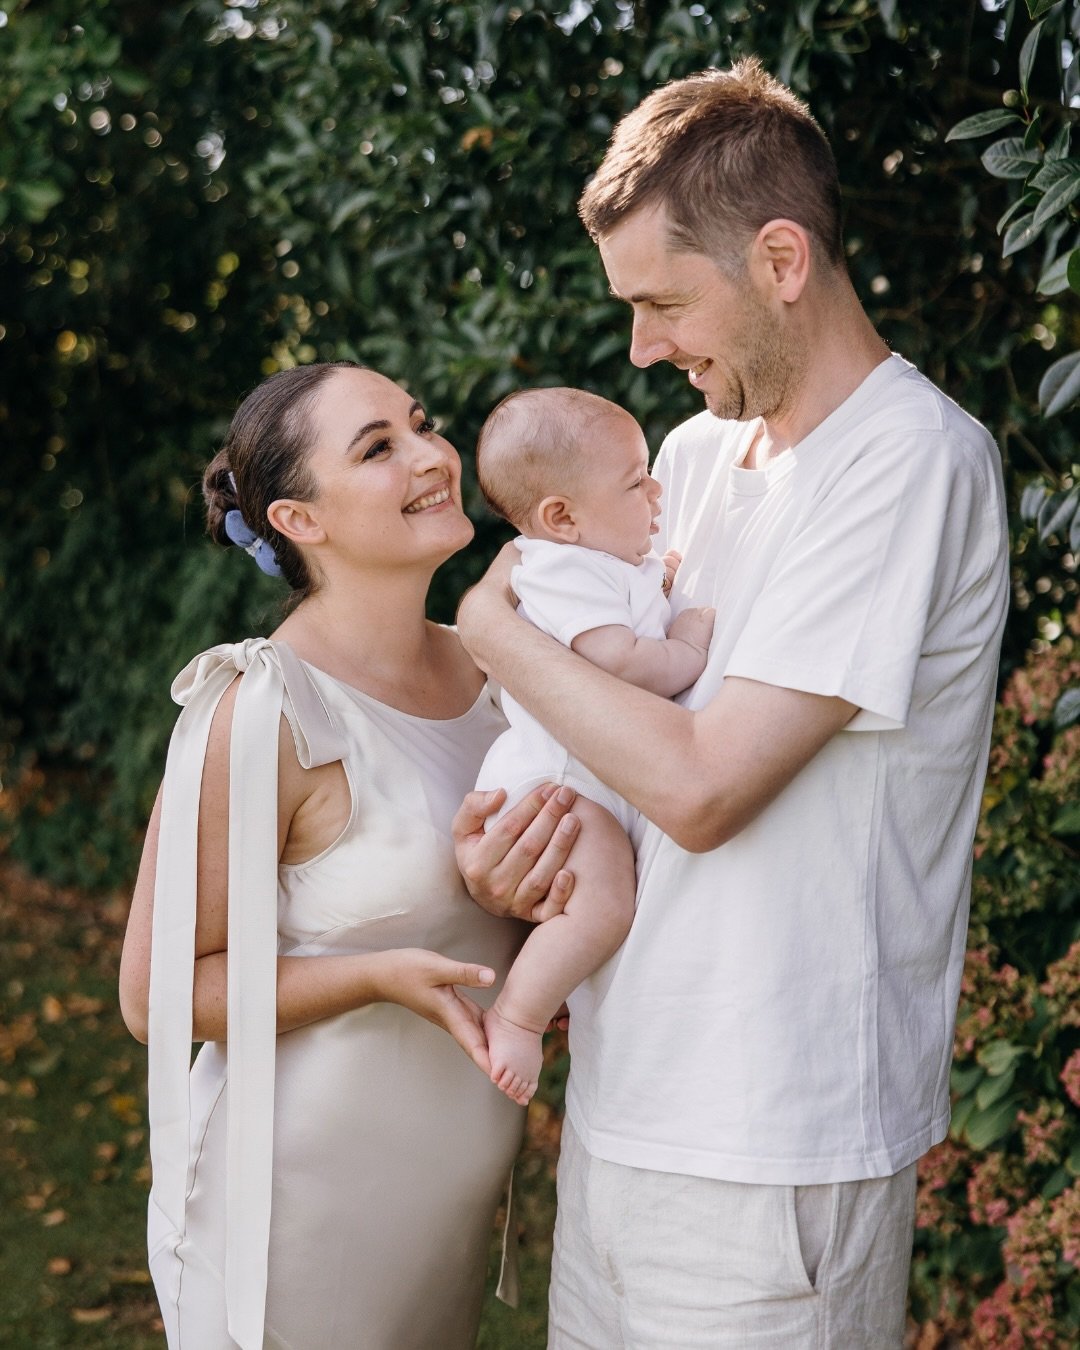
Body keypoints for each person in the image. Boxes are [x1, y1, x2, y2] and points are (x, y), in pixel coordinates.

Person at [452, 57, 1010, 1347]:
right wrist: (513, 859)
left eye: (662, 303)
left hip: (775, 1147)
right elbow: (598, 746)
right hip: (620, 1103)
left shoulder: (909, 463)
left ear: (777, 259)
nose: (642, 346)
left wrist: (487, 625)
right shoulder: (684, 463)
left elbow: (702, 785)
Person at [118, 361, 572, 1350]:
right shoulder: (263, 705)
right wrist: (377, 978)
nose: (430, 456)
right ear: (300, 520)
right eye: (378, 448)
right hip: (289, 1219)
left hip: (438, 1218)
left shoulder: (499, 674)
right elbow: (152, 994)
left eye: (421, 423)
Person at [471, 387, 714, 1105]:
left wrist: (657, 580)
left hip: (582, 780)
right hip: (557, 786)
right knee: (604, 904)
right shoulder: (559, 567)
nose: (655, 489)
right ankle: (519, 1014)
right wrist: (687, 645)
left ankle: (555, 983)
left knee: (598, 903)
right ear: (561, 517)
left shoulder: (602, 559)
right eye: (635, 481)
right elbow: (618, 659)